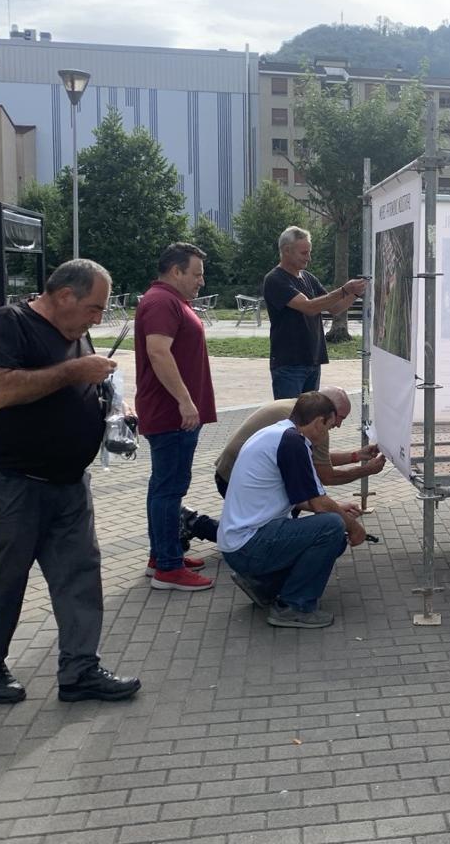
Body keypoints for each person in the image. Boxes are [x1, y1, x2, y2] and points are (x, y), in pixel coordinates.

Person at [0, 258, 141, 704]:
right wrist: (74, 373)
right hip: (7, 480)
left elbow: (79, 390)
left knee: (80, 573)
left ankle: (80, 669)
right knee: (5, 576)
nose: (99, 318)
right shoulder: (10, 323)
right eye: (95, 308)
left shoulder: (75, 331)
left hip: (67, 482)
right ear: (65, 296)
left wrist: (115, 412)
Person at [217, 391, 369, 628]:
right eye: (329, 426)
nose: (329, 432)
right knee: (332, 526)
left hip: (239, 542)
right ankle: (294, 605)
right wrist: (354, 526)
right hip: (248, 545)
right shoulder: (292, 442)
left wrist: (337, 509)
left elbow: (298, 498)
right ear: (319, 421)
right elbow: (319, 502)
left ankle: (264, 585)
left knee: (334, 533)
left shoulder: (279, 433)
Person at [179, 386, 386, 547]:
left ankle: (202, 526)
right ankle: (196, 524)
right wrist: (367, 470)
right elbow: (326, 476)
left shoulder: (297, 411)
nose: (338, 425)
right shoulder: (315, 425)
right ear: (325, 413)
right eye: (339, 418)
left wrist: (355, 456)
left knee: (279, 515)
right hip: (235, 480)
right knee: (268, 530)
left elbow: (312, 461)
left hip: (227, 473)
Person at [135, 242, 216, 591]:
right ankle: (168, 567)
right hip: (172, 415)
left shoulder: (170, 301)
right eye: (195, 274)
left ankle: (162, 555)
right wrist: (185, 401)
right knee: (169, 489)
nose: (201, 281)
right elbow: (158, 352)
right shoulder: (161, 302)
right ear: (175, 271)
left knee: (164, 488)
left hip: (175, 414)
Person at [263, 226, 367, 399]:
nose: (308, 258)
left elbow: (335, 308)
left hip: (312, 360)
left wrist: (355, 292)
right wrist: (343, 290)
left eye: (309, 252)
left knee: (309, 420)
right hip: (289, 365)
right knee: (290, 419)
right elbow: (309, 307)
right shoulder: (275, 279)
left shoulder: (308, 278)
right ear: (286, 251)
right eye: (304, 253)